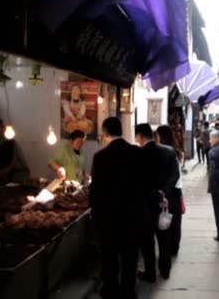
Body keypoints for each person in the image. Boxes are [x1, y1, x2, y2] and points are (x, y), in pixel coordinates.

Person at [89, 117, 147, 299]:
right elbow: (145, 185)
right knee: (130, 257)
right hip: (132, 216)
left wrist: (96, 217)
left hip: (108, 217)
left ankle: (110, 289)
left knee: (110, 257)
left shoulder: (100, 157)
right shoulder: (137, 153)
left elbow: (95, 191)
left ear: (105, 133)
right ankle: (128, 291)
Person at [135, 123, 180, 282]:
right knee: (164, 238)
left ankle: (150, 273)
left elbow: (137, 181)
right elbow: (175, 176)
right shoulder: (169, 151)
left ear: (139, 136)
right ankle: (165, 270)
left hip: (145, 204)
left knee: (147, 241)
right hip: (164, 202)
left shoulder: (138, 154)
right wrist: (164, 193)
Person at [156, 125, 184, 256]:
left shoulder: (165, 152)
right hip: (177, 189)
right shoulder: (177, 151)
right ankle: (175, 247)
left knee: (165, 220)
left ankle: (168, 249)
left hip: (168, 189)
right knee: (175, 220)